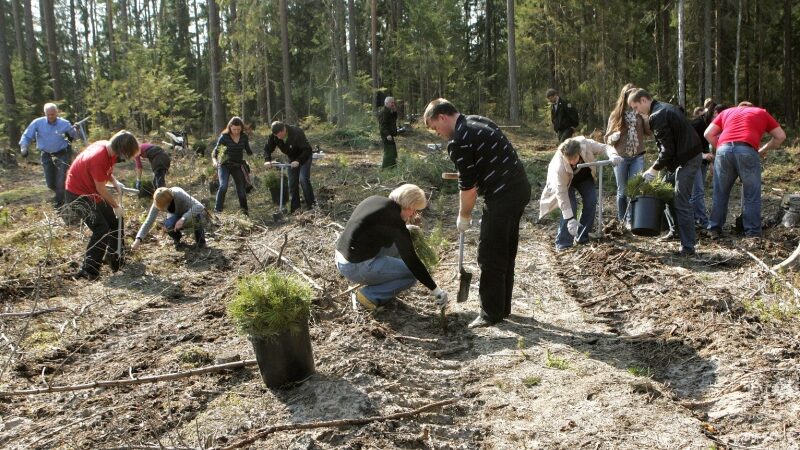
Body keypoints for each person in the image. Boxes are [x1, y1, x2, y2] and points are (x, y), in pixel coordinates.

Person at [424, 98, 531, 329]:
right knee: (505, 249)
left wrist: (464, 216)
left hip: (502, 195)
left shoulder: (460, 141)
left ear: (442, 117)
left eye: (435, 127)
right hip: (520, 187)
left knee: (489, 253)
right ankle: (502, 307)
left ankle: (490, 313)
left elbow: (468, 188)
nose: (438, 134)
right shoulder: (477, 121)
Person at [335, 184, 449, 310]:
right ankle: (369, 296)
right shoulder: (394, 220)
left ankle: (387, 275)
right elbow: (413, 263)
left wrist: (406, 231)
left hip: (342, 255)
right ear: (409, 206)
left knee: (402, 249)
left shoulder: (374, 200)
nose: (413, 214)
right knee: (411, 275)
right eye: (415, 210)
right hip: (354, 267)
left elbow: (373, 230)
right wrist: (436, 290)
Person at [628, 89, 703, 257]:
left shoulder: (658, 115)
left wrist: (654, 169)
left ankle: (688, 247)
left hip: (688, 159)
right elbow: (669, 146)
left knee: (681, 200)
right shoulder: (663, 107)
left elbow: (667, 149)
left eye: (636, 107)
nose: (636, 111)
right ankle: (675, 231)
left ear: (644, 100)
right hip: (680, 157)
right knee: (667, 191)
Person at [64, 131, 140, 280]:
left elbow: (106, 171)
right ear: (122, 149)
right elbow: (101, 188)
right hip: (77, 195)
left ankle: (114, 258)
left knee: (116, 221)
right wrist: (116, 206)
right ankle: (89, 270)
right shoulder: (98, 158)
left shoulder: (107, 147)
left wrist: (114, 181)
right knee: (101, 228)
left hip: (91, 192)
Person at [704, 102, 786, 238]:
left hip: (724, 150)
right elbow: (781, 136)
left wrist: (721, 149)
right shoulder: (761, 112)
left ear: (739, 107)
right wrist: (763, 150)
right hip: (747, 150)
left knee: (720, 193)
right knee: (751, 195)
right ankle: (752, 233)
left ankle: (714, 228)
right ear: (751, 107)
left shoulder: (727, 112)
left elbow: (708, 134)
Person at [540, 137, 623, 250]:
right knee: (571, 207)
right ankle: (563, 243)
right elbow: (562, 195)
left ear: (579, 152)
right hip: (565, 183)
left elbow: (605, 147)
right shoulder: (559, 168)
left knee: (591, 201)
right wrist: (570, 219)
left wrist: (613, 155)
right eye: (569, 159)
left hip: (584, 178)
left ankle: (582, 237)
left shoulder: (585, 144)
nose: (573, 162)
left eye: (575, 158)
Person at [604, 83, 651, 224]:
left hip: (637, 156)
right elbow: (607, 138)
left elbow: (649, 132)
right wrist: (613, 137)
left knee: (634, 189)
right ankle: (622, 220)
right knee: (622, 191)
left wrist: (645, 118)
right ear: (624, 97)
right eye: (628, 94)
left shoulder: (639, 113)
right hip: (621, 157)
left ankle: (632, 220)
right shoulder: (616, 115)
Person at [19, 103, 78, 208]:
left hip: (62, 153)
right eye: (48, 114)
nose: (51, 116)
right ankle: (63, 194)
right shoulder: (37, 123)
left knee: (61, 179)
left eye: (53, 114)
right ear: (45, 113)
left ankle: (60, 204)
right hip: (46, 154)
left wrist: (74, 130)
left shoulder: (64, 123)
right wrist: (24, 147)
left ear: (57, 113)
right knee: (50, 182)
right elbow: (27, 135)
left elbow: (74, 136)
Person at [263, 121, 316, 213]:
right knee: (292, 182)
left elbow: (307, 149)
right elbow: (267, 148)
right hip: (292, 158)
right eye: (277, 136)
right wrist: (267, 160)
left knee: (303, 179)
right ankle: (296, 209)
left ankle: (312, 205)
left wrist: (298, 161)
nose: (279, 138)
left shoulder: (296, 132)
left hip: (304, 156)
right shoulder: (274, 136)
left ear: (284, 129)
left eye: (280, 135)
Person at [132, 187, 206, 251]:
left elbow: (199, 206)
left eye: (164, 206)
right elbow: (149, 221)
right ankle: (178, 239)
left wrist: (183, 218)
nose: (163, 208)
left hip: (190, 213)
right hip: (176, 215)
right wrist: (138, 239)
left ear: (170, 201)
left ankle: (201, 242)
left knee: (197, 218)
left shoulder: (178, 193)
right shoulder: (157, 202)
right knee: (168, 225)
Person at [688, 102, 721, 229]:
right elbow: (688, 144)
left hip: (703, 161)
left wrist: (710, 162)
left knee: (697, 192)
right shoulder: (697, 124)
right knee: (698, 192)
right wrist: (702, 155)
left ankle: (695, 219)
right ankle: (701, 220)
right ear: (715, 114)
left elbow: (708, 145)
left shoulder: (709, 125)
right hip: (692, 160)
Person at [212, 116, 253, 215]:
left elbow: (248, 151)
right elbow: (216, 152)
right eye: (234, 129)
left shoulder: (244, 137)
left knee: (241, 190)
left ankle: (244, 213)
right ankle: (218, 211)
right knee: (223, 186)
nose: (236, 131)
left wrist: (253, 160)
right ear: (230, 127)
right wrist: (214, 161)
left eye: (238, 129)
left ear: (241, 128)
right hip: (224, 165)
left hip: (237, 165)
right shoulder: (224, 137)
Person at [378, 96, 399, 168]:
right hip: (386, 134)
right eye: (391, 102)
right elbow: (383, 125)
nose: (393, 104)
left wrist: (395, 111)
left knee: (392, 150)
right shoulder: (384, 112)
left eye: (393, 102)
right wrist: (387, 134)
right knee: (389, 150)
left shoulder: (389, 111)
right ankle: (385, 167)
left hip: (390, 134)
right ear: (386, 103)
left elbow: (394, 119)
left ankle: (392, 166)